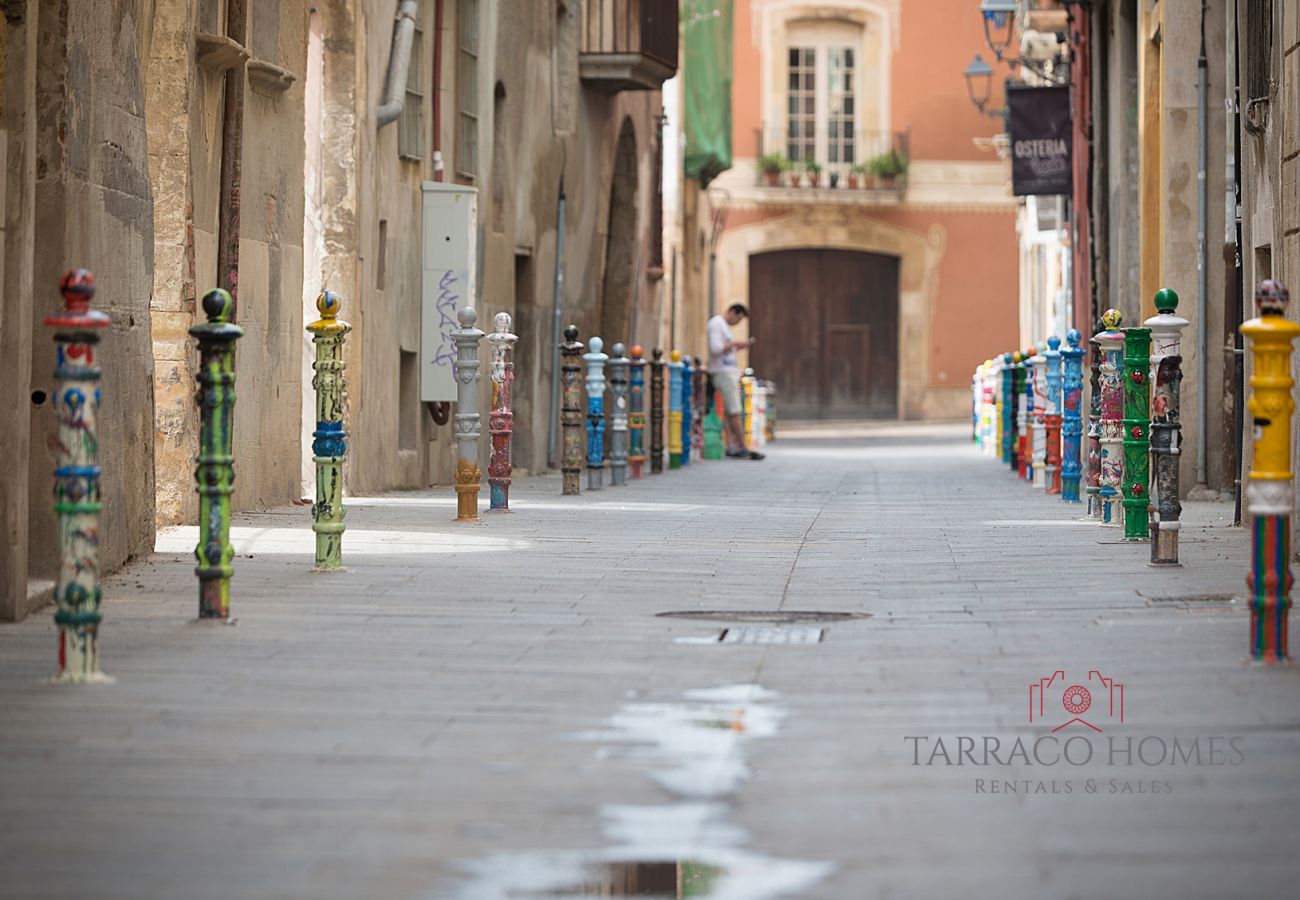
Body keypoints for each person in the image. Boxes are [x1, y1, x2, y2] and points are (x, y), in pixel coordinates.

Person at [707, 303, 764, 460]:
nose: (737, 323)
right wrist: (735, 344)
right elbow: (715, 348)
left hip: (727, 372)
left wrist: (734, 346)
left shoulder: (722, 326)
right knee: (734, 410)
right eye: (738, 319)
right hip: (723, 372)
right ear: (733, 312)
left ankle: (732, 444)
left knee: (730, 410)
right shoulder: (716, 323)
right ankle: (741, 445)